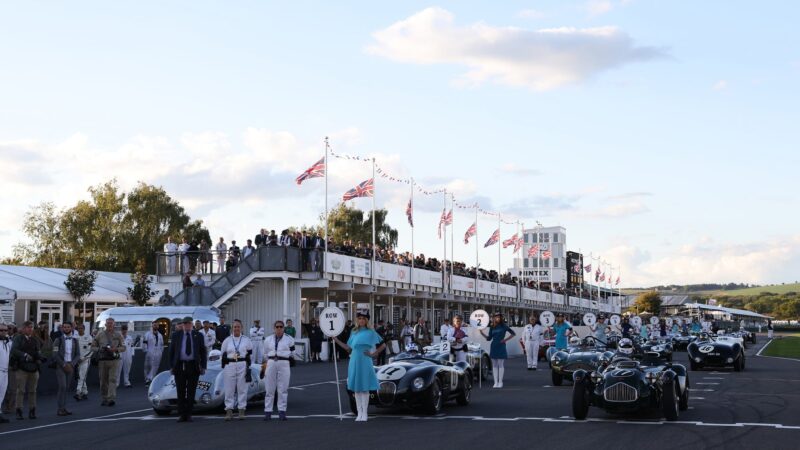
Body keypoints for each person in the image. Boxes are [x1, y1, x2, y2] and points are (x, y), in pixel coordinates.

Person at [333, 311, 385, 422]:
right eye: (359, 318)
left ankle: (365, 413)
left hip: (365, 360)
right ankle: (359, 412)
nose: (361, 320)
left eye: (363, 318)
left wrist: (373, 354)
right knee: (356, 388)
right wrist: (336, 340)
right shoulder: (354, 331)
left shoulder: (371, 332)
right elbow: (348, 348)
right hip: (354, 360)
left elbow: (383, 344)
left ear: (366, 320)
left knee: (365, 387)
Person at [168, 316, 207, 423]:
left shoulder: (198, 335)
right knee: (180, 390)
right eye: (184, 324)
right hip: (180, 366)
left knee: (191, 391)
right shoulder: (176, 335)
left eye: (188, 323)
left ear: (192, 324)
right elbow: (171, 352)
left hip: (193, 366)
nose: (186, 325)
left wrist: (203, 366)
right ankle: (181, 414)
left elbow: (203, 352)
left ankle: (189, 414)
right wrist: (171, 366)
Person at [261, 320, 295, 421]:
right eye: (277, 327)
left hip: (284, 363)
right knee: (269, 388)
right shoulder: (268, 339)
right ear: (274, 328)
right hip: (271, 362)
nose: (279, 328)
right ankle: (268, 411)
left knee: (283, 388)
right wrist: (266, 364)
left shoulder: (289, 339)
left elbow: (293, 352)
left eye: (281, 327)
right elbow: (265, 353)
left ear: (284, 328)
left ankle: (282, 411)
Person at [220, 319, 252, 421]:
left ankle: (241, 410)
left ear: (241, 328)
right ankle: (229, 411)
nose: (236, 328)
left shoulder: (246, 340)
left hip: (242, 364)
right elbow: (222, 353)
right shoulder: (227, 340)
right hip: (230, 364)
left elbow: (250, 353)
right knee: (229, 389)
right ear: (232, 329)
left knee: (242, 388)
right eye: (234, 327)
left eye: (238, 326)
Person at [12, 321, 44, 419]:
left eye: (31, 327)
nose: (30, 329)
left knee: (33, 391)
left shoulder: (35, 340)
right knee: (20, 390)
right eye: (28, 327)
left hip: (33, 368)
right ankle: (19, 410)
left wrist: (39, 358)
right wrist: (25, 355)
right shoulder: (18, 338)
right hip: (21, 367)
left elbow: (39, 351)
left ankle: (32, 410)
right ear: (23, 328)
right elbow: (14, 350)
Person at [91, 318, 126, 406]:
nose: (109, 325)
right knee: (103, 381)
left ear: (114, 325)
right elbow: (92, 347)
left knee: (112, 379)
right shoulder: (100, 334)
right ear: (105, 325)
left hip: (114, 360)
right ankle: (104, 398)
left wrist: (116, 349)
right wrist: (100, 349)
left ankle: (111, 398)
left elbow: (124, 347)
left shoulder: (118, 335)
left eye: (111, 323)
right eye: (108, 323)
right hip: (103, 361)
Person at [480, 313, 516, 388]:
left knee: (500, 364)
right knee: (495, 365)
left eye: (499, 317)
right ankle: (495, 382)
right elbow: (489, 338)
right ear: (494, 318)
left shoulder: (504, 326)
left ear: (501, 318)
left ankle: (500, 382)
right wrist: (482, 333)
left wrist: (505, 340)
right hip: (494, 346)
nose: (497, 318)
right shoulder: (492, 327)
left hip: (501, 345)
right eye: (496, 317)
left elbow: (513, 333)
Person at [52, 321, 80, 416]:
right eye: (65, 327)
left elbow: (78, 354)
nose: (66, 329)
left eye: (68, 327)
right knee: (62, 386)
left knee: (66, 388)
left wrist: (72, 364)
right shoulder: (58, 340)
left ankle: (64, 408)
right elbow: (55, 354)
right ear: (62, 328)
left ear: (72, 328)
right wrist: (64, 364)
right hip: (61, 366)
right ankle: (60, 408)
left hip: (71, 366)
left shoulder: (75, 340)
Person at [73, 323, 93, 401]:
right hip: (77, 361)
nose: (80, 330)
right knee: (82, 377)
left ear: (84, 329)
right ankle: (85, 392)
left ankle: (78, 392)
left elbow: (91, 350)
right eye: (79, 328)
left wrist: (84, 358)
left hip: (85, 360)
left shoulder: (89, 337)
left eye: (81, 328)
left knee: (81, 377)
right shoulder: (75, 338)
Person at [142, 321, 164, 385]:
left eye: (157, 325)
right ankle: (147, 379)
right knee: (148, 366)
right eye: (154, 325)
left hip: (158, 353)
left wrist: (161, 352)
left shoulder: (160, 335)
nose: (156, 326)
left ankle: (152, 379)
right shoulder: (147, 334)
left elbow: (162, 345)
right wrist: (146, 351)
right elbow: (144, 344)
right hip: (150, 352)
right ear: (152, 326)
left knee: (156, 366)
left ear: (158, 326)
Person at [0, 323, 11, 423]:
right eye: (1, 330)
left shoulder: (8, 342)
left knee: (2, 394)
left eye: (5, 330)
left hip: (5, 371)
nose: (3, 332)